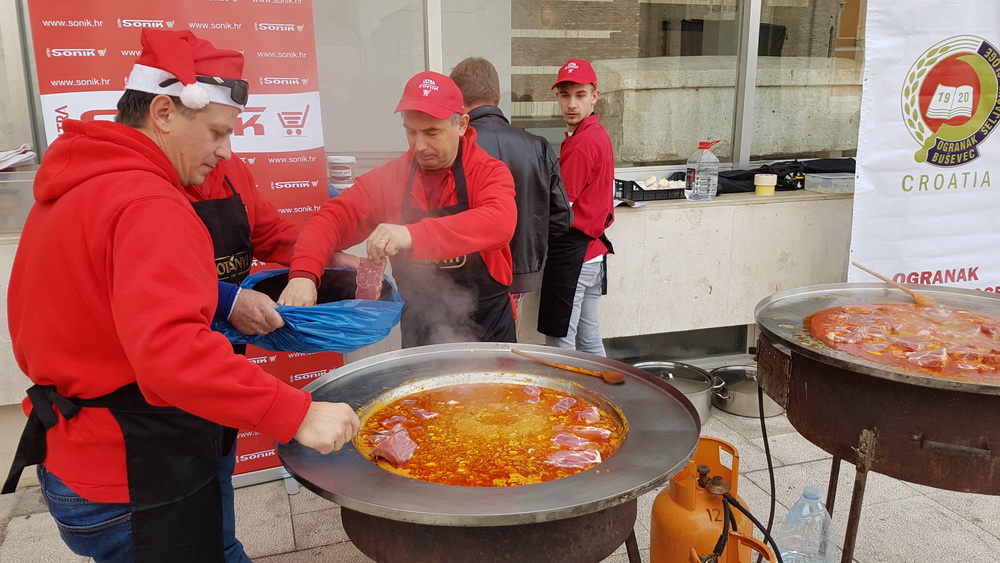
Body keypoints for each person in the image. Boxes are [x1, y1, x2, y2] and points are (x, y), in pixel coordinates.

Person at [2, 29, 359, 562]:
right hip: (137, 465)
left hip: (92, 454)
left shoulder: (87, 179)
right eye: (216, 132)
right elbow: (172, 354)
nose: (226, 150)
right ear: (164, 112)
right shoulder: (148, 202)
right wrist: (296, 413)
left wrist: (320, 259)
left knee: (220, 545)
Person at [280, 71, 517, 348]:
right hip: (421, 325)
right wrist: (304, 275)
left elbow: (500, 221)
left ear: (462, 125)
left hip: (488, 323)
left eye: (432, 132)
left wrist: (412, 234)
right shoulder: (390, 179)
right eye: (411, 132)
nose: (419, 145)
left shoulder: (488, 172)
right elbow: (330, 220)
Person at [449, 57, 572, 298]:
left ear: (458, 100)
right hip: (520, 274)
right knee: (507, 324)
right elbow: (561, 219)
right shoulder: (537, 146)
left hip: (468, 276)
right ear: (498, 98)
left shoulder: (455, 148)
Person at [537, 58, 615, 356]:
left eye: (580, 95)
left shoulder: (582, 143)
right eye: (565, 95)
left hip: (574, 256)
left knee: (560, 346)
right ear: (557, 97)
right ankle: (607, 389)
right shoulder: (596, 134)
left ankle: (569, 392)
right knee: (590, 342)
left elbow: (560, 208)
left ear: (595, 96)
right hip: (594, 255)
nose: (572, 104)